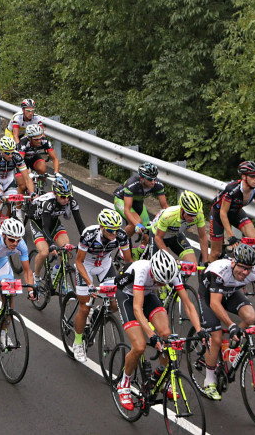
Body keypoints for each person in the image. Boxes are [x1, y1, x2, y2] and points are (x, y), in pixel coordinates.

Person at [114, 249, 206, 411]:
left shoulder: (173, 272)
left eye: (165, 281)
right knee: (140, 346)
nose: (163, 285)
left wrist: (199, 330)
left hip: (148, 295)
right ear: (153, 272)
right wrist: (151, 335)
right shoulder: (142, 270)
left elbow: (188, 304)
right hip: (128, 297)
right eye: (159, 281)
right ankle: (124, 383)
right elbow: (137, 309)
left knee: (167, 336)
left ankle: (161, 379)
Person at [197, 243, 255, 399]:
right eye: (242, 267)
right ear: (233, 262)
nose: (245, 272)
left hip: (230, 293)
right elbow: (214, 303)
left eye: (249, 268)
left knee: (251, 317)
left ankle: (233, 342)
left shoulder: (254, 272)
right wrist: (231, 325)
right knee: (217, 338)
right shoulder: (219, 271)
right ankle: (209, 381)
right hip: (209, 297)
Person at [70, 209, 133, 362]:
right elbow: (78, 261)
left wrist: (127, 281)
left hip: (105, 265)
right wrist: (90, 284)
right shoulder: (89, 235)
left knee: (115, 303)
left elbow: (129, 262)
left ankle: (97, 313)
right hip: (86, 266)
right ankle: (78, 343)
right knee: (84, 307)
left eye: (116, 230)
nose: (114, 234)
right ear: (102, 227)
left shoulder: (121, 235)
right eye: (111, 230)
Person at [208, 161, 255, 262]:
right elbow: (223, 213)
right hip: (219, 215)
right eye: (252, 176)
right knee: (216, 253)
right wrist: (231, 236)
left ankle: (235, 262)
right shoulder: (232, 189)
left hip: (236, 213)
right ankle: (207, 275)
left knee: (253, 240)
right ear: (244, 177)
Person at [26, 175, 86, 285]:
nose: (66, 199)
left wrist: (87, 241)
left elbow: (80, 225)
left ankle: (58, 273)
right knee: (44, 252)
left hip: (53, 223)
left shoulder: (71, 201)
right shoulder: (48, 203)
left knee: (66, 249)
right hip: (38, 224)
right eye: (63, 197)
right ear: (55, 194)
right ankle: (36, 276)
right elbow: (45, 227)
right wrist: (51, 244)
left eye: (68, 196)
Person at [149, 191, 210, 280]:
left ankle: (176, 285)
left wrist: (206, 262)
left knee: (192, 266)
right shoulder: (169, 215)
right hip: (158, 235)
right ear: (182, 210)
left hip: (175, 235)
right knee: (156, 272)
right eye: (190, 214)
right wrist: (171, 260)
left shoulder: (199, 215)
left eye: (195, 215)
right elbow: (158, 238)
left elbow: (202, 237)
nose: (193, 218)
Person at [114, 162, 169, 253]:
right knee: (136, 221)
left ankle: (140, 251)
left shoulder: (158, 185)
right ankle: (121, 245)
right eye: (150, 179)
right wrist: (137, 224)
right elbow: (127, 210)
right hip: (122, 200)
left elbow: (164, 206)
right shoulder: (132, 184)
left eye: (154, 179)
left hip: (138, 202)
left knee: (149, 233)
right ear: (141, 177)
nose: (153, 182)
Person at [0, 136, 30, 227]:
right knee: (0, 201)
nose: (10, 155)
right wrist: (0, 193)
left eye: (12, 152)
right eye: (7, 153)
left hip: (8, 179)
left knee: (13, 201)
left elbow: (26, 177)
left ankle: (7, 222)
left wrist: (32, 192)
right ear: (1, 150)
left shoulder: (16, 156)